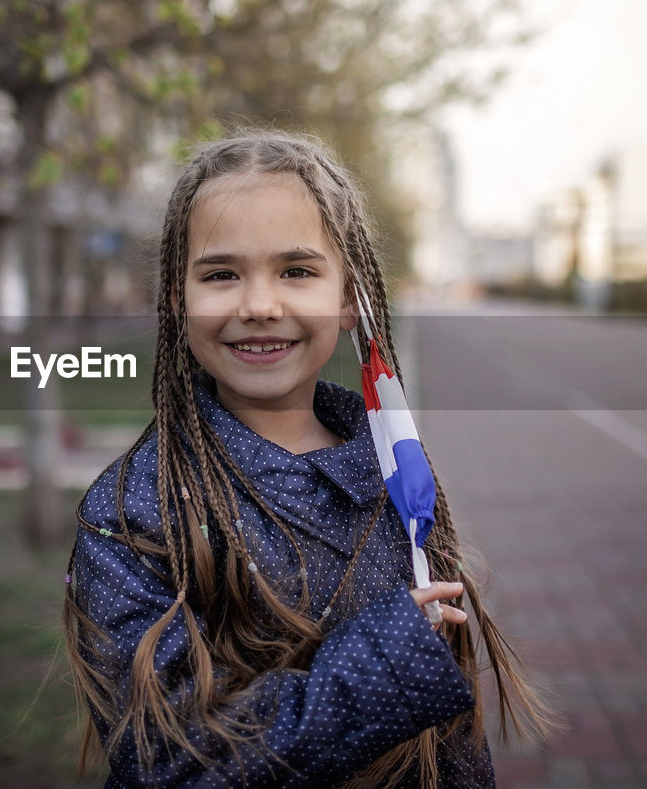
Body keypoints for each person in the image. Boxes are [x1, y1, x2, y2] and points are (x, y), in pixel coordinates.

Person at [62, 133, 552, 787]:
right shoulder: (133, 509)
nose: (260, 305)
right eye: (220, 274)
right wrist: (379, 665)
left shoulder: (394, 469)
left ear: (350, 297)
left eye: (296, 270)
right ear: (177, 299)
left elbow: (449, 736)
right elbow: (167, 762)